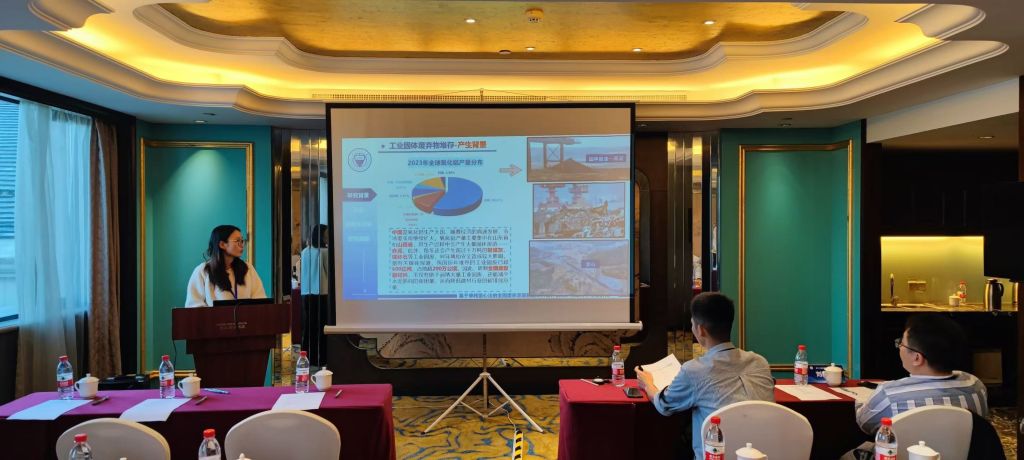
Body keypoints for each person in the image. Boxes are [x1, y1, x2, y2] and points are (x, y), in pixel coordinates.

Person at [636, 292, 774, 459]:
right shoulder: (760, 362)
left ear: (700, 330)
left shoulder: (694, 370)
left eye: (692, 324)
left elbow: (664, 405)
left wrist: (647, 383)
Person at [855, 314, 988, 434]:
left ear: (917, 358)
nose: (899, 347)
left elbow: (865, 424)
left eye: (901, 343)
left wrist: (861, 400)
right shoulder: (976, 385)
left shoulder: (889, 395)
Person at [185, 225, 266, 307]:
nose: (242, 245)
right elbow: (194, 306)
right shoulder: (202, 271)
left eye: (242, 241)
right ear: (222, 244)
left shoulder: (248, 268)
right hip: (215, 316)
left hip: (246, 316)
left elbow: (260, 300)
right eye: (238, 241)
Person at [299, 224, 332, 365]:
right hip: (322, 293)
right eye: (326, 234)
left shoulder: (305, 251)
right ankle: (322, 358)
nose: (328, 237)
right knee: (322, 327)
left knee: (308, 327)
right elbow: (330, 273)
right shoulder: (324, 252)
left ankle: (308, 356)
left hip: (306, 293)